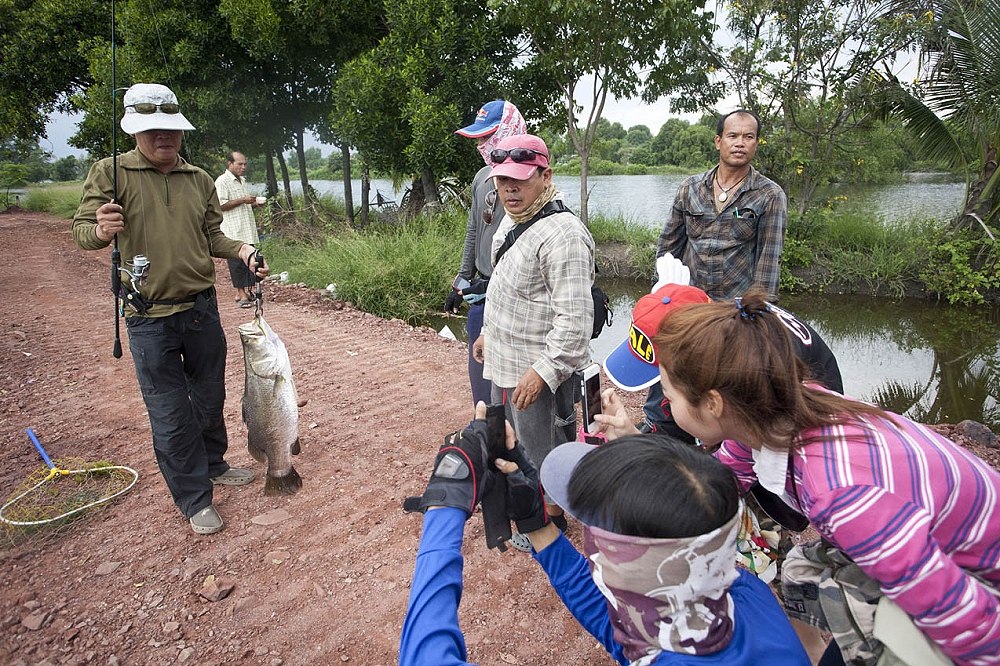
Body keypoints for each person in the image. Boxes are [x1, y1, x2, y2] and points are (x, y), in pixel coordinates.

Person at [651, 288, 1000, 666]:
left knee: (815, 576)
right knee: (803, 567)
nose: (666, 406)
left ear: (714, 403)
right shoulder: (777, 407)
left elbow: (965, 617)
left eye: (670, 395)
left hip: (979, 582)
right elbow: (724, 478)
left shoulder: (839, 494)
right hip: (939, 550)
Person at [398, 402, 811, 665]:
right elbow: (620, 622)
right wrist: (536, 524)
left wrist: (445, 504)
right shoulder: (738, 595)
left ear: (625, 567)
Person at [72, 83, 268, 536]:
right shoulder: (111, 172)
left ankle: (215, 463)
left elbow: (212, 236)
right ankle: (195, 498)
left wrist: (241, 250)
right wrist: (101, 232)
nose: (164, 137)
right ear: (135, 129)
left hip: (201, 308)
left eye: (171, 129)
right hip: (148, 317)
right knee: (170, 413)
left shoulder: (199, 179)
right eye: (153, 129)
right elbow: (82, 232)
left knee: (210, 396)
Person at [471, 133, 593, 531]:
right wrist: (488, 331)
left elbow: (574, 323)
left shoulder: (565, 234)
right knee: (509, 440)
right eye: (503, 181)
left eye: (520, 180)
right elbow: (503, 285)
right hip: (504, 360)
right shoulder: (513, 219)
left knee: (546, 451)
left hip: (538, 371)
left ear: (545, 175)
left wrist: (544, 371)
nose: (509, 189)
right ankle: (523, 502)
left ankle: (550, 522)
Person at [644, 108, 788, 433]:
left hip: (731, 314)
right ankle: (659, 437)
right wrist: (659, 299)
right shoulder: (690, 188)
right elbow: (668, 247)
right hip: (689, 309)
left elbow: (768, 265)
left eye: (748, 137)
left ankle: (725, 456)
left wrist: (755, 321)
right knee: (666, 388)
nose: (740, 143)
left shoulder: (768, 196)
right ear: (718, 140)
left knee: (726, 395)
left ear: (756, 143)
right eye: (733, 136)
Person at [602, 255, 843, 443]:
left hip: (807, 426)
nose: (664, 397)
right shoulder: (719, 326)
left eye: (667, 391)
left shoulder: (750, 376)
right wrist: (634, 437)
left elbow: (721, 474)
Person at [448, 100, 527, 405]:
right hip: (481, 295)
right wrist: (461, 280)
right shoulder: (482, 177)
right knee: (482, 388)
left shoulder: (528, 182)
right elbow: (473, 230)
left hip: (515, 301)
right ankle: (487, 437)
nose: (481, 144)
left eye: (487, 136)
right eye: (478, 139)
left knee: (513, 391)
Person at [215, 151, 265, 307]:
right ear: (230, 164)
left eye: (245, 164)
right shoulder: (222, 181)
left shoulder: (242, 180)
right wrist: (243, 199)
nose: (243, 167)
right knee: (236, 262)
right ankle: (240, 293)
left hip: (246, 227)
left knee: (249, 259)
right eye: (240, 164)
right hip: (232, 229)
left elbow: (241, 204)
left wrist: (254, 203)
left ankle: (246, 292)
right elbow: (220, 205)